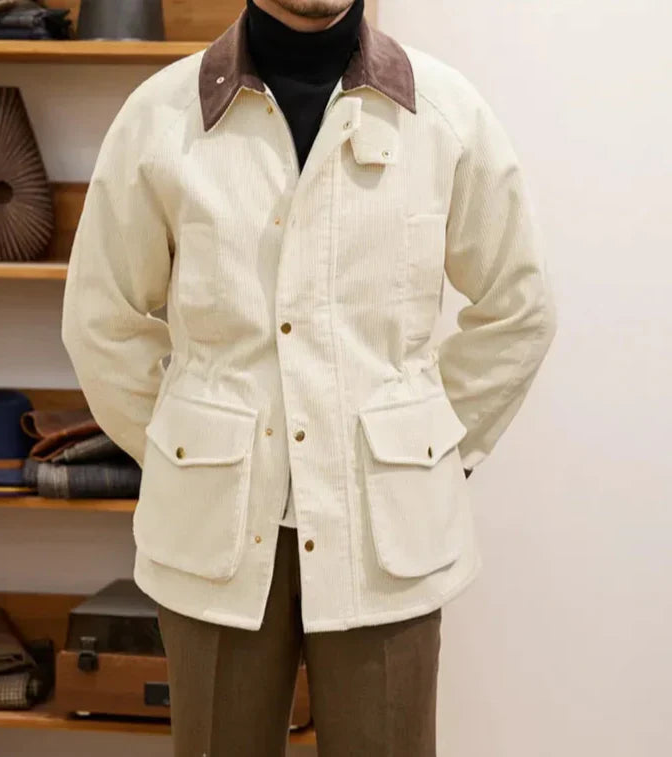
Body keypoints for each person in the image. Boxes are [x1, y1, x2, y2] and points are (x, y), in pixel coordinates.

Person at [61, 0, 557, 754]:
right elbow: (102, 320)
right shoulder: (159, 118)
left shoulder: (444, 114)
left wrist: (426, 447)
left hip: (385, 533)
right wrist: (185, 446)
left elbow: (520, 307)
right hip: (213, 533)